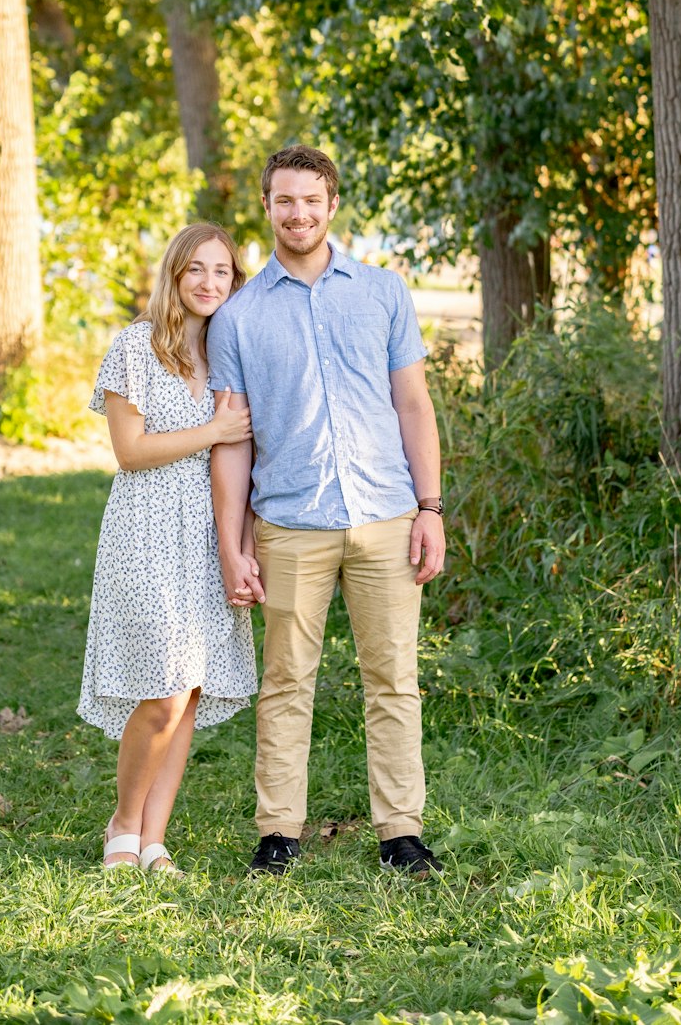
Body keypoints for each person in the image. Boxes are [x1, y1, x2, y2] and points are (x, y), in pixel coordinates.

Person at [207, 146, 446, 877]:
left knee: (394, 680)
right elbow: (234, 441)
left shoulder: (382, 293)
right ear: (268, 207)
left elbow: (413, 404)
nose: (298, 213)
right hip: (289, 524)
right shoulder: (238, 317)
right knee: (285, 682)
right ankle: (279, 832)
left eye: (310, 200)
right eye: (284, 201)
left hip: (385, 517)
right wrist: (232, 543)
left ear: (332, 204)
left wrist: (431, 508)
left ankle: (400, 834)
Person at [78, 223, 257, 871]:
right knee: (161, 691)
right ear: (174, 276)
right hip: (146, 530)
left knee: (190, 690)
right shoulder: (135, 345)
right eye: (197, 270)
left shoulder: (231, 357)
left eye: (223, 272)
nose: (210, 283)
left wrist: (244, 543)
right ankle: (122, 824)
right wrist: (212, 429)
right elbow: (129, 453)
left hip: (210, 534)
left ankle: (154, 840)